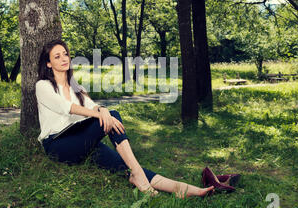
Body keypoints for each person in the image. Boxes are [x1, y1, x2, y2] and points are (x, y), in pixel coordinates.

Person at [35, 39, 235, 198]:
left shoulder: (75, 86)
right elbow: (67, 108)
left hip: (81, 142)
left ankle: (185, 189)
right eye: (57, 56)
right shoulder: (43, 86)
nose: (64, 58)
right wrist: (103, 113)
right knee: (111, 117)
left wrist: (101, 109)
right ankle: (139, 175)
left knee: (126, 166)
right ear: (48, 63)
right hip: (57, 145)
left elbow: (91, 105)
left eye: (66, 54)